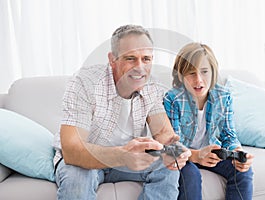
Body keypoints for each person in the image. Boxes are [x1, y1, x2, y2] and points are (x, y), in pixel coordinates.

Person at [53, 24, 191, 200]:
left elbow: (163, 133)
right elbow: (72, 150)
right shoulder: (84, 83)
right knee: (77, 179)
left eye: (146, 59)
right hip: (85, 161)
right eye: (131, 58)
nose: (139, 67)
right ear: (112, 59)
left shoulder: (151, 86)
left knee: (167, 168)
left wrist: (176, 150)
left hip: (128, 159)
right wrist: (122, 156)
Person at [163, 42, 254, 200]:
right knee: (191, 175)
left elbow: (228, 134)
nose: (198, 80)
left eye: (204, 72)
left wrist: (237, 152)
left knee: (243, 171)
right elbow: (172, 145)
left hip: (212, 155)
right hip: (186, 157)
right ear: (180, 75)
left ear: (213, 72)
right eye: (191, 73)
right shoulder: (172, 99)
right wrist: (196, 155)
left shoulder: (223, 96)